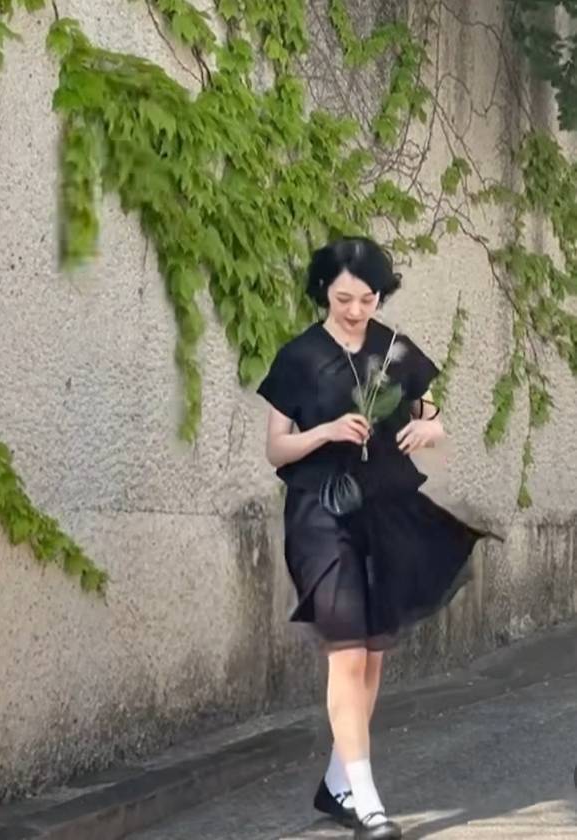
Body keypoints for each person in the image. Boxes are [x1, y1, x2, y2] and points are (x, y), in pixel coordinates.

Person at [256, 237, 488, 840]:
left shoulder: (396, 350)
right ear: (323, 293)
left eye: (367, 299)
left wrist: (429, 431)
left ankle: (339, 783)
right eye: (343, 299)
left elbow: (432, 418)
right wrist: (326, 431)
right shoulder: (299, 357)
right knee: (347, 649)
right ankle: (368, 804)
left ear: (380, 295)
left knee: (373, 653)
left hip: (385, 511)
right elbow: (276, 448)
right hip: (320, 516)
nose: (356, 310)